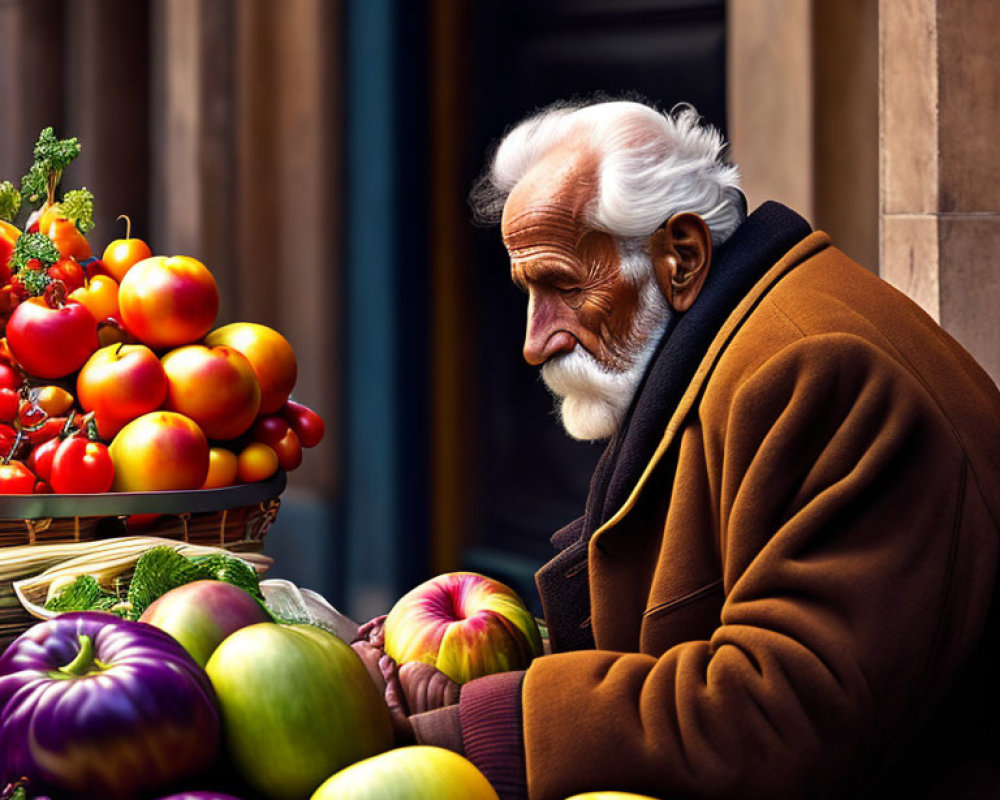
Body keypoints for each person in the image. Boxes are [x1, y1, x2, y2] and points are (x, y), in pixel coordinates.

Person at [353, 99, 1000, 800]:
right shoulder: (738, 348)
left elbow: (777, 715)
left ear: (682, 256)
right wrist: (480, 677)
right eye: (528, 292)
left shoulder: (815, 373)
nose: (535, 341)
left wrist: (478, 731)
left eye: (565, 287)